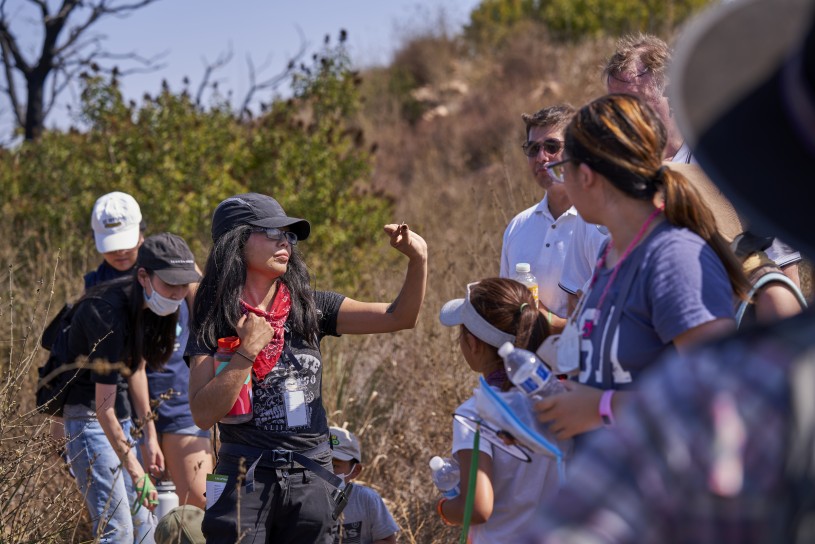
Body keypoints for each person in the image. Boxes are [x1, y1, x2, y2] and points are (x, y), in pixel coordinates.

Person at [529, 4, 815, 539]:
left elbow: (726, 392)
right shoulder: (611, 251)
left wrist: (603, 407)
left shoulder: (682, 242)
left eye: (633, 102)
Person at [186, 193, 428, 542]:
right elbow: (203, 413)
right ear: (235, 241)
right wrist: (246, 353)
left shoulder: (311, 308)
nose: (284, 241)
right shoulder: (214, 317)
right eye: (271, 233)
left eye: (289, 234)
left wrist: (418, 259)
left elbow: (400, 317)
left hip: (311, 477)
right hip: (244, 476)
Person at [533, 93, 750, 443]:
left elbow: (719, 395)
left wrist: (601, 408)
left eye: (563, 169)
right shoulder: (609, 253)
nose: (561, 181)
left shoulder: (674, 260)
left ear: (586, 175)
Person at [62, 232, 202, 543]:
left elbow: (136, 367)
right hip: (89, 419)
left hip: (120, 417)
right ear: (144, 276)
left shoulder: (154, 306)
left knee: (144, 527)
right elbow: (103, 407)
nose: (179, 292)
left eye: (184, 284)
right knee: (118, 530)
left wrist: (150, 437)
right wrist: (137, 472)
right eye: (170, 284)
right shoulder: (107, 312)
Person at [436, 278, 560, 543]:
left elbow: (479, 508)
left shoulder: (473, 415)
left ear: (474, 344)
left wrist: (444, 509)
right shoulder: (560, 397)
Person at [500, 104, 577, 333]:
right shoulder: (517, 227)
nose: (542, 157)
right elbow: (507, 309)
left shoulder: (600, 225)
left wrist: (546, 320)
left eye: (552, 146)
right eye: (533, 149)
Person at [329, 426, 399, 544]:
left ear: (355, 470)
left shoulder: (367, 500)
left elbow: (387, 540)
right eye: (319, 463)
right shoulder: (301, 499)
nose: (326, 471)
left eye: (335, 466)